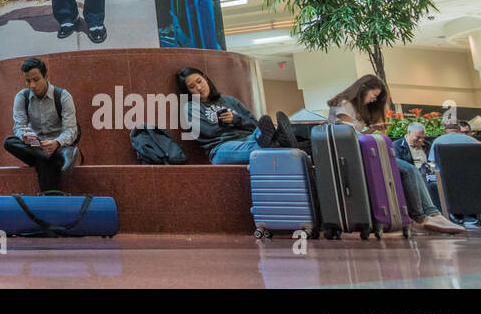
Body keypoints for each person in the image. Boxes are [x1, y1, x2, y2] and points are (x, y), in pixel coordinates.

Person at [327, 76, 462, 234]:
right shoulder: (344, 104)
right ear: (362, 89)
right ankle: (423, 216)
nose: (373, 100)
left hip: (359, 154)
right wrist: (368, 132)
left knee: (410, 170)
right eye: (373, 95)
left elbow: (353, 134)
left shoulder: (351, 106)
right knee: (409, 170)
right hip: (354, 156)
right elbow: (347, 134)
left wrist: (371, 130)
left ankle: (431, 214)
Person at [176, 67, 298, 164]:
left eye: (199, 81)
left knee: (259, 134)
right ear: (188, 91)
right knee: (261, 144)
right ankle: (279, 141)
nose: (199, 87)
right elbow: (209, 132)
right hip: (222, 147)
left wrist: (236, 119)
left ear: (205, 79)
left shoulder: (229, 100)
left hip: (249, 138)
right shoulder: (191, 107)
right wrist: (229, 123)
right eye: (192, 87)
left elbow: (254, 123)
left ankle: (275, 140)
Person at [3, 57, 78, 191]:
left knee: (43, 161)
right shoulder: (22, 97)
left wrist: (56, 143)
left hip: (57, 146)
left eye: (36, 80)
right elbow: (19, 126)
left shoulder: (63, 96)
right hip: (35, 145)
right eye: (28, 81)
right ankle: (62, 154)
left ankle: (54, 154)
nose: (32, 85)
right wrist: (23, 136)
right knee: (9, 141)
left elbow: (71, 130)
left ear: (46, 76)